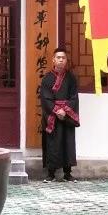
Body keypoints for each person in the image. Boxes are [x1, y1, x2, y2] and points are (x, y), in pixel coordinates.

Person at [39, 46, 79, 182]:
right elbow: (45, 99)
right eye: (58, 57)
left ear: (66, 60)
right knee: (52, 144)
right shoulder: (47, 79)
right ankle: (51, 174)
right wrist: (56, 110)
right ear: (53, 60)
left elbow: (74, 97)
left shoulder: (71, 78)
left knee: (68, 143)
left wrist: (65, 110)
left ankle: (68, 173)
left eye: (63, 58)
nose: (61, 60)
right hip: (52, 116)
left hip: (67, 116)